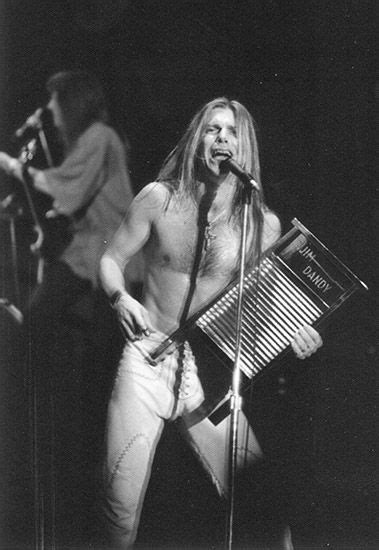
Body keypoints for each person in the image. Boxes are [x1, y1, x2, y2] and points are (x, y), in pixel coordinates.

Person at [99, 97, 323, 549]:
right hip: (148, 356)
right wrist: (119, 296)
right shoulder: (158, 199)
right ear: (196, 139)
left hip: (211, 368)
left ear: (245, 149)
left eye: (232, 131)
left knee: (257, 502)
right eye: (212, 129)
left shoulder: (261, 224)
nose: (222, 138)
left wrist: (296, 330)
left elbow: (266, 307)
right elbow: (110, 257)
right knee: (118, 505)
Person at [0, 70, 135, 544]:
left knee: (44, 330)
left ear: (71, 103)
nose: (52, 116)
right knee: (82, 359)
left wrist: (14, 167)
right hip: (89, 255)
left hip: (105, 259)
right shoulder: (98, 139)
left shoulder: (99, 136)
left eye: (56, 106)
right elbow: (72, 200)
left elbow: (66, 185)